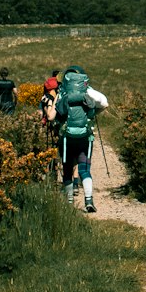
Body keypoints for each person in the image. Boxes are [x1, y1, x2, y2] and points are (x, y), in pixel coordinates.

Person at [55, 65, 107, 213]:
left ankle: (69, 202)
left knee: (67, 169)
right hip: (85, 137)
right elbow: (104, 103)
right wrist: (93, 114)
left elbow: (56, 115)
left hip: (67, 138)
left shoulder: (62, 93)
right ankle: (89, 200)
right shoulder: (88, 91)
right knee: (84, 169)